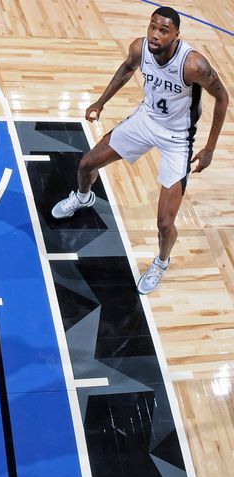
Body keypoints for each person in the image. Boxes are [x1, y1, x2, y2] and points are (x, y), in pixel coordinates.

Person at [50, 6, 228, 294]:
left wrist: (209, 148)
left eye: (164, 30)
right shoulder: (140, 47)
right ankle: (84, 198)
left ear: (176, 35)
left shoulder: (193, 64)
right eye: (153, 27)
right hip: (145, 121)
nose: (155, 35)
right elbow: (126, 69)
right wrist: (100, 102)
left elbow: (222, 98)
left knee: (164, 223)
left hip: (178, 139)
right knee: (86, 164)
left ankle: (161, 261)